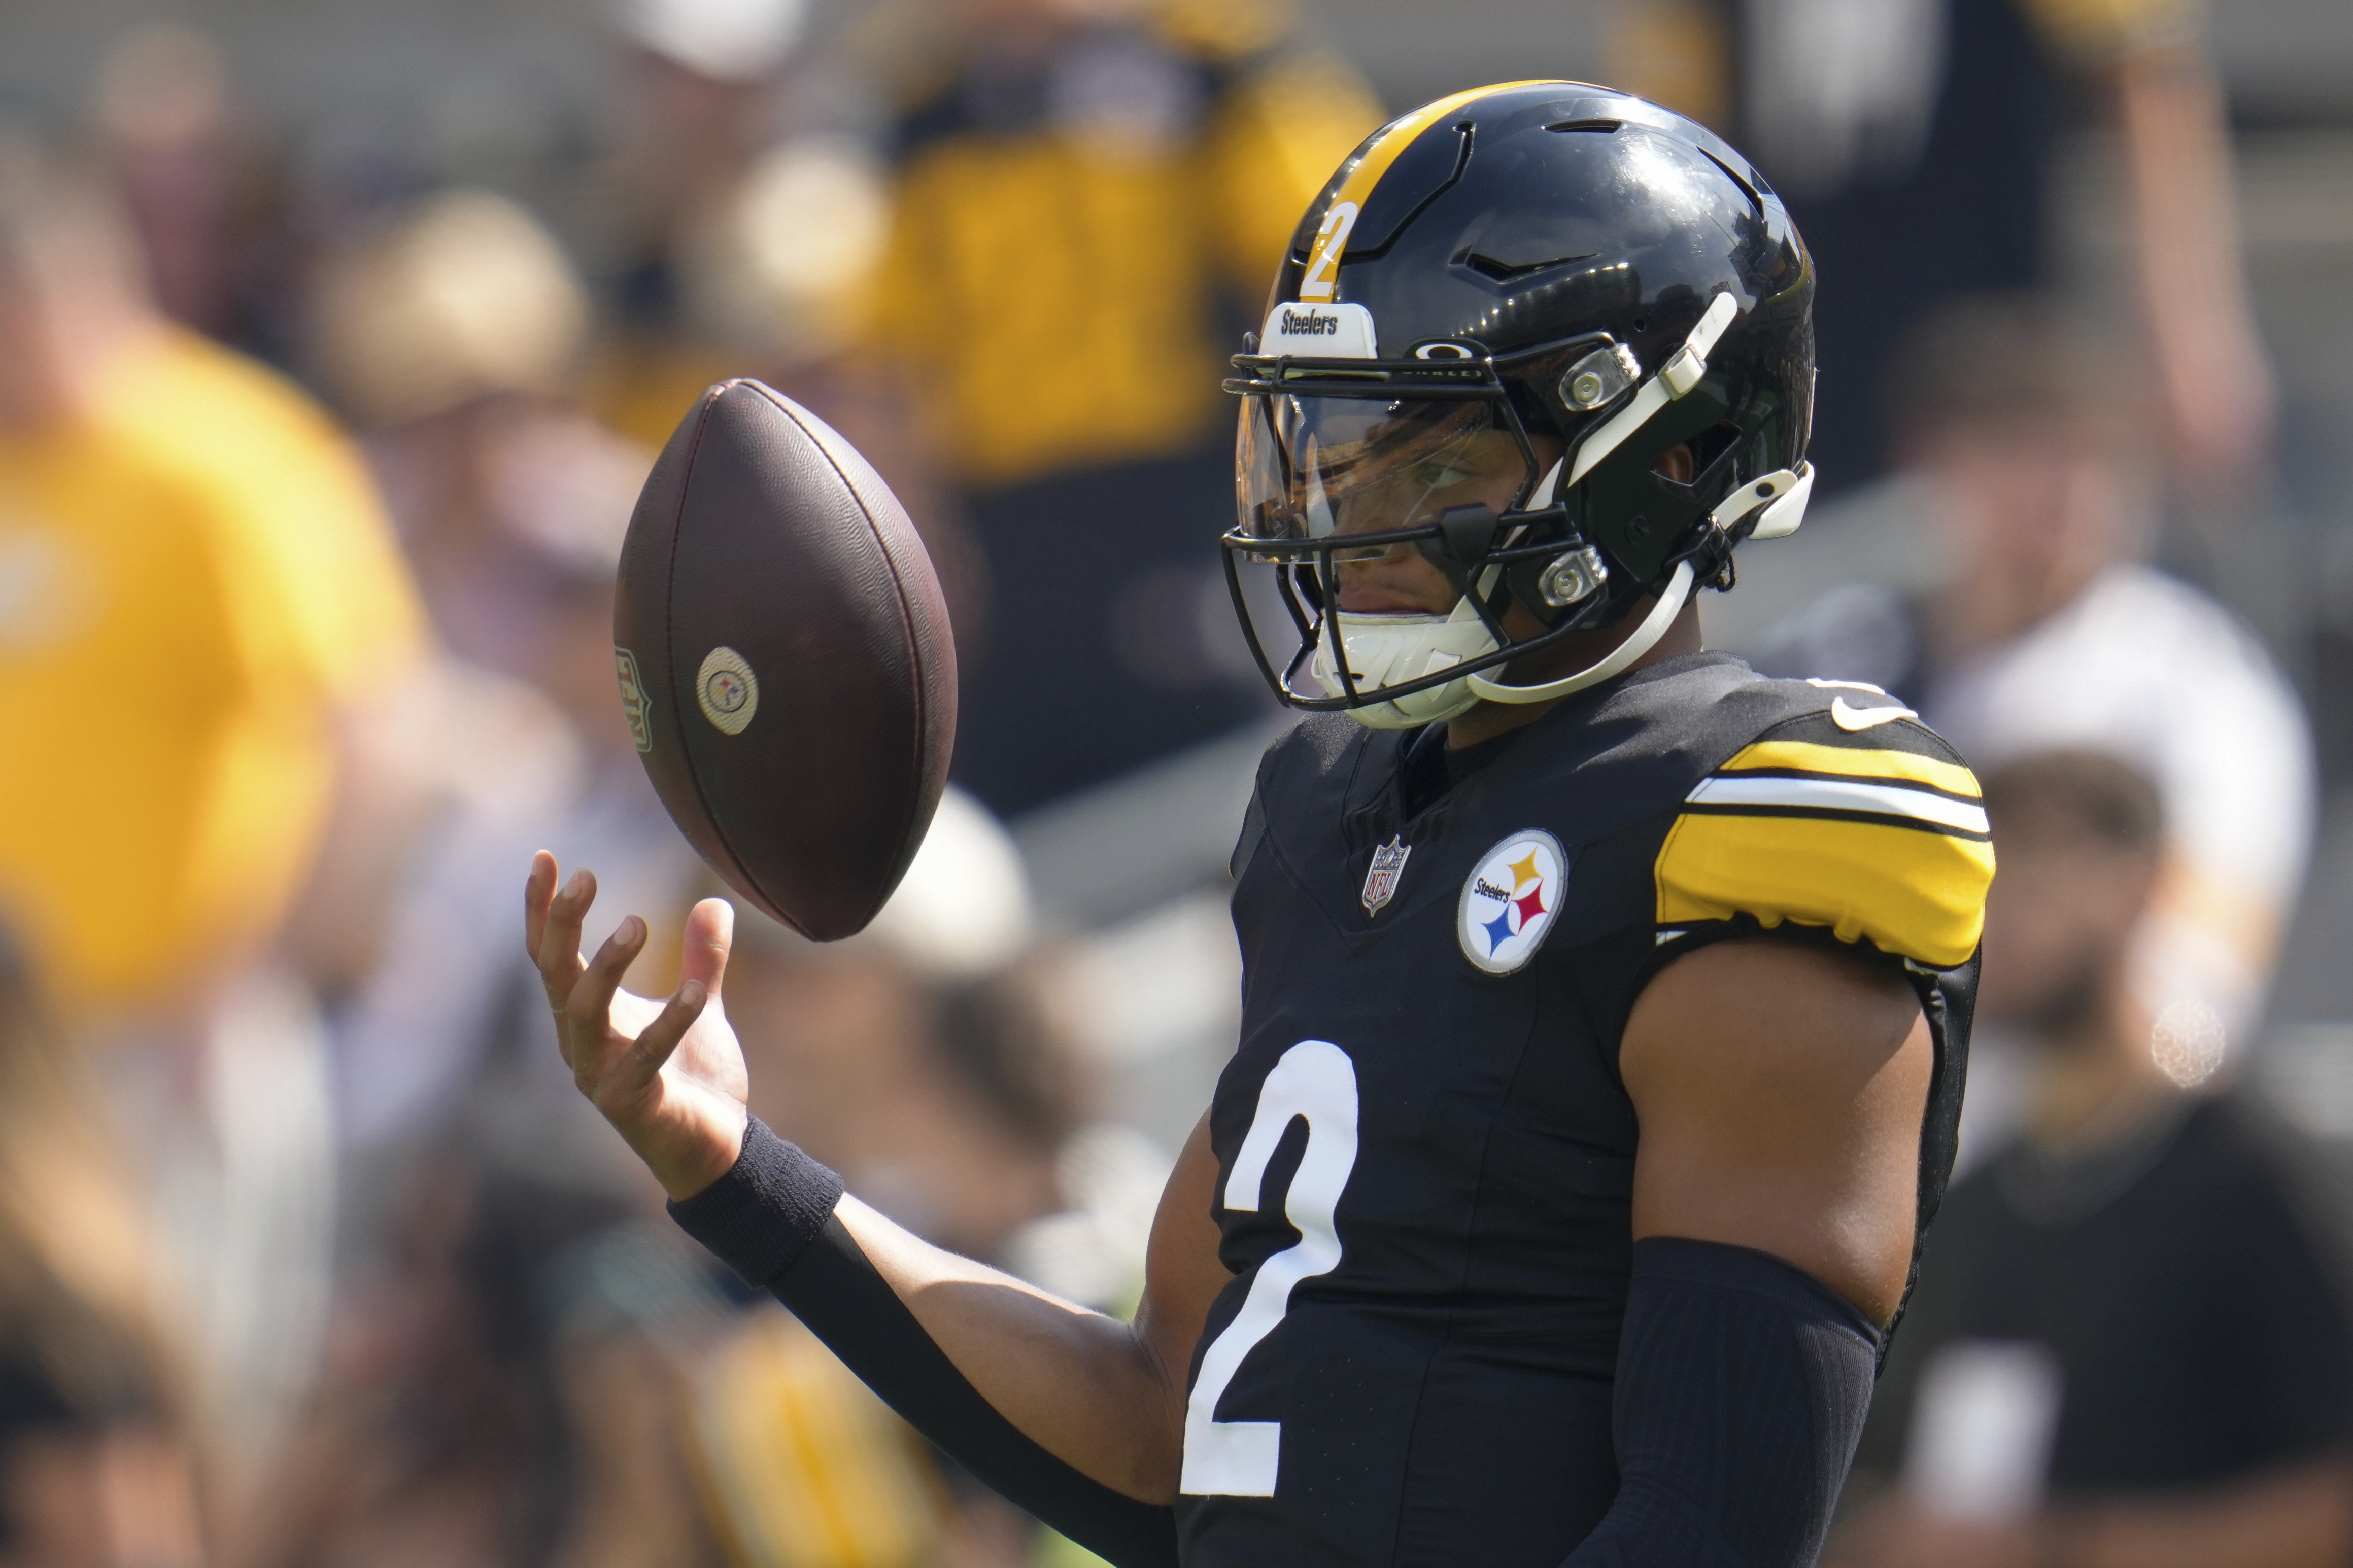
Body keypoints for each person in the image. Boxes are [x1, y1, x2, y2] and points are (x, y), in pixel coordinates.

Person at [528, 84, 1997, 1567]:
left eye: (1429, 463)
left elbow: (1709, 1526)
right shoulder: (1326, 811)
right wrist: (732, 1165)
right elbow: (1167, 1424)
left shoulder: (1756, 815)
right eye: (1329, 450)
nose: (1343, 519)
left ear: (1666, 458)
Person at [1753, 297, 2312, 1099]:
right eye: (2021, 449)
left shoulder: (2197, 685)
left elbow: (2196, 1002)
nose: (2062, 489)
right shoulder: (1834, 656)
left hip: (2056, 1149)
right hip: (1839, 1121)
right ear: (1929, 461)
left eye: (2095, 454)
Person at [854, 0, 1380, 813]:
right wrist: (918, 542)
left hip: (1185, 506)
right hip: (1005, 537)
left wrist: (1318, 482)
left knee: (1221, 784)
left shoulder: (1210, 61)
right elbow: (895, 362)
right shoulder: (927, 111)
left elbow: (1326, 260)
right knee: (1012, 799)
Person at [1829, 750, 2353, 1568]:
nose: (1997, 912)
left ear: (2144, 883)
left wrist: (2056, 1550)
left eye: (2035, 864)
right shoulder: (1977, 1208)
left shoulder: (2254, 1172)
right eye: (1978, 878)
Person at [1602, 0, 2272, 494]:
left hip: (1987, 351)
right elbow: (1672, 135)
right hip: (1795, 351)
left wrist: (2188, 329)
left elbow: (2141, 66)